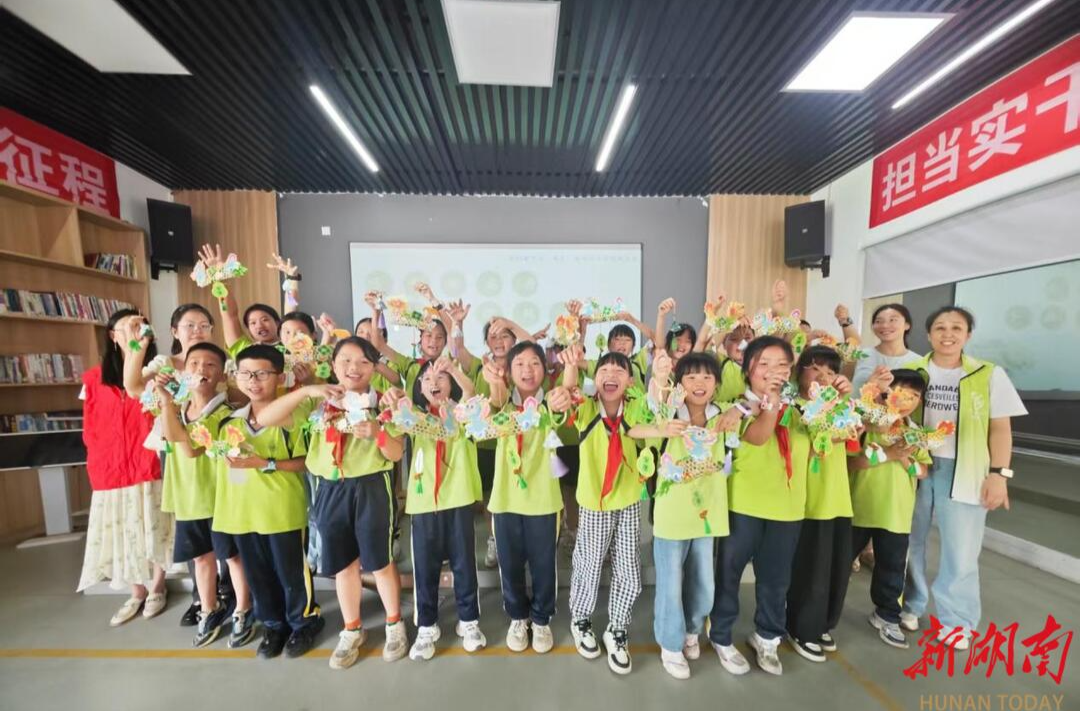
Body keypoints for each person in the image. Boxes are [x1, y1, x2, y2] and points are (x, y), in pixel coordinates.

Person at [255, 337, 407, 669]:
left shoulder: (385, 404)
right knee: (344, 564)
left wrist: (377, 433)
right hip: (330, 488)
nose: (354, 367)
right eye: (346, 360)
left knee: (380, 562)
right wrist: (307, 390)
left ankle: (394, 623)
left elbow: (396, 453)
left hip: (371, 487)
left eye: (363, 361)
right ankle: (352, 629)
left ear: (373, 367)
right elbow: (265, 418)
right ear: (333, 364)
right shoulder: (319, 404)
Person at [901, 307, 1026, 650]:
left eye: (956, 328)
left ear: (968, 335)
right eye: (940, 327)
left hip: (966, 469)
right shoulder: (913, 371)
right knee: (907, 542)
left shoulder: (988, 374)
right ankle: (909, 605)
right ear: (928, 334)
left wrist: (999, 475)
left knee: (962, 550)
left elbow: (1000, 430)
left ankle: (957, 620)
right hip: (914, 467)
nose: (948, 334)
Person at [214, 345, 324, 659]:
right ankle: (274, 625)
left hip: (282, 511)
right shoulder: (229, 422)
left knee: (292, 574)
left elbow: (307, 462)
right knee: (258, 574)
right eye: (246, 373)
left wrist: (266, 463)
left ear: (279, 377)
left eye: (262, 373)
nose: (253, 381)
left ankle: (304, 621)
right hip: (243, 514)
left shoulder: (293, 416)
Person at [631, 351, 735, 680]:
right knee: (671, 585)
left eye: (706, 377)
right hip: (672, 515)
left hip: (708, 515)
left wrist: (742, 409)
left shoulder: (723, 415)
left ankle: (692, 630)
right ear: (680, 384)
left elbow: (756, 406)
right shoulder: (670, 414)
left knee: (704, 583)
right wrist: (660, 425)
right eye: (690, 377)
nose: (699, 383)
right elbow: (634, 429)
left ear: (717, 384)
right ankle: (671, 644)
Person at [710, 336, 806, 677]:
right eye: (763, 363)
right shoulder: (737, 408)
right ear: (747, 369)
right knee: (729, 574)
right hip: (745, 504)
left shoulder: (803, 409)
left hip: (788, 507)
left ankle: (767, 637)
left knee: (776, 580)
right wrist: (771, 404)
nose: (772, 371)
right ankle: (721, 635)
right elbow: (761, 435)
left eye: (781, 364)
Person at [384, 358, 486, 660]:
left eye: (441, 377)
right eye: (427, 378)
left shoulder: (462, 413)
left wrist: (454, 370)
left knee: (464, 564)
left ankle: (469, 620)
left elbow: (471, 394)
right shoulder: (413, 416)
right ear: (419, 387)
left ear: (451, 383)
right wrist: (393, 401)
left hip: (458, 498)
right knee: (425, 567)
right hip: (423, 501)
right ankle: (427, 625)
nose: (434, 382)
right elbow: (391, 433)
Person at [77, 310, 173, 627]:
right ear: (112, 335)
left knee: (155, 525)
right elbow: (90, 426)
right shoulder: (93, 379)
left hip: (148, 462)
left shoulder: (156, 371)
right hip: (109, 467)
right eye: (128, 327)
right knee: (123, 529)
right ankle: (136, 590)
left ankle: (157, 585)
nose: (135, 331)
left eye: (140, 325)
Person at [156, 342, 253, 648]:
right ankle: (209, 609)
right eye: (194, 363)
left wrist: (167, 404)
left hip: (219, 497)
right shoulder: (179, 407)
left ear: (222, 375)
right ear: (184, 371)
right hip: (188, 496)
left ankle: (243, 609)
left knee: (232, 556)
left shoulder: (224, 413)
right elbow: (166, 437)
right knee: (201, 557)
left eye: (210, 365)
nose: (201, 369)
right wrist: (168, 404)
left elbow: (189, 448)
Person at [559, 346, 646, 675]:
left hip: (628, 499)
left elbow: (652, 411)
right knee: (589, 564)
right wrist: (571, 365)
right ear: (594, 379)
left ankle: (617, 628)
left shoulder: (636, 407)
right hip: (594, 502)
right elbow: (568, 391)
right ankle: (581, 620)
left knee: (629, 572)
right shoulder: (586, 408)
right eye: (604, 370)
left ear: (630, 381)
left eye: (620, 370)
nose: (611, 375)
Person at [483, 341, 574, 654]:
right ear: (508, 372)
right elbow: (495, 403)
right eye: (519, 364)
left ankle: (541, 618)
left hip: (543, 502)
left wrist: (568, 377)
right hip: (505, 500)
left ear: (544, 370)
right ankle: (518, 616)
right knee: (509, 564)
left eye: (535, 363)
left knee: (543, 565)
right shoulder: (502, 406)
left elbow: (564, 399)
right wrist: (494, 382)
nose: (527, 370)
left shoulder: (549, 405)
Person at [845, 368, 931, 649]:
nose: (907, 400)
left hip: (896, 514)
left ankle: (887, 616)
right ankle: (823, 612)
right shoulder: (868, 424)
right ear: (886, 393)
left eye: (914, 396)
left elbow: (922, 471)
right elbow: (851, 462)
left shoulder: (915, 433)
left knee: (892, 569)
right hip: (859, 507)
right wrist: (888, 453)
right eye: (901, 393)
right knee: (839, 563)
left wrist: (903, 457)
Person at [785, 345, 856, 663]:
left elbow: (855, 444)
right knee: (810, 569)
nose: (823, 376)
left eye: (830, 371)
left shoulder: (841, 407)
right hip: (809, 501)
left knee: (837, 569)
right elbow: (807, 445)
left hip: (838, 499)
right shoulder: (792, 408)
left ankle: (824, 623)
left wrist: (847, 406)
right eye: (815, 368)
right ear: (799, 372)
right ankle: (802, 628)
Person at [844, 303, 921, 389]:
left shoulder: (920, 362)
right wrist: (845, 321)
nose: (885, 325)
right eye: (878, 321)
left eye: (892, 320)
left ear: (907, 325)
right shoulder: (860, 355)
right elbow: (843, 386)